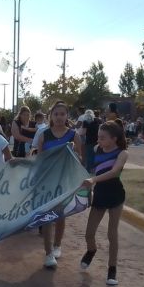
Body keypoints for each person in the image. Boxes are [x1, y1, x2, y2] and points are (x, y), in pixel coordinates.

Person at [80, 121, 129, 286]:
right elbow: (93, 169)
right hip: (100, 194)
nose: (98, 140)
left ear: (114, 138)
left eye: (102, 137)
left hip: (115, 194)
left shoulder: (122, 153)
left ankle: (112, 269)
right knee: (89, 233)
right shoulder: (96, 149)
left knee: (112, 234)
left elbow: (114, 172)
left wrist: (93, 180)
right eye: (98, 137)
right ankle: (91, 250)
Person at [38, 101, 82, 269]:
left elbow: (80, 160)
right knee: (47, 216)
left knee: (60, 214)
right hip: (47, 181)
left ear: (67, 116)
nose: (59, 117)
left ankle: (57, 245)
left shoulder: (74, 136)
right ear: (51, 116)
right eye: (56, 114)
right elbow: (39, 161)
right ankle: (48, 254)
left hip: (65, 181)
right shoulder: (44, 135)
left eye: (62, 114)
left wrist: (73, 153)